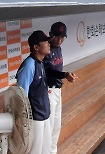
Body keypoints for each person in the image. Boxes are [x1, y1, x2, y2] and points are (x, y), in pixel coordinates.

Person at [43, 21, 78, 154]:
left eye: (63, 36)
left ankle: (53, 152)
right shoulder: (46, 49)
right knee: (49, 126)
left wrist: (66, 76)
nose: (60, 39)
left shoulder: (58, 48)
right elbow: (48, 71)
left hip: (57, 90)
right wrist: (64, 74)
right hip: (48, 91)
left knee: (56, 126)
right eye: (57, 36)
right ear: (51, 34)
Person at [16, 30, 52, 154]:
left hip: (45, 114)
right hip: (35, 118)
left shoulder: (41, 62)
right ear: (36, 47)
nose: (48, 44)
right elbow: (21, 96)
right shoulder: (28, 66)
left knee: (46, 150)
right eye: (45, 42)